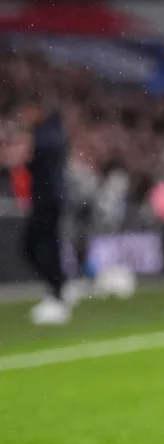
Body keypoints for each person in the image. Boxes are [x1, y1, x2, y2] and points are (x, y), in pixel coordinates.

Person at [16, 96, 71, 324]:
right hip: (50, 199)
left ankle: (57, 290)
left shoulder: (47, 135)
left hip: (46, 200)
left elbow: (40, 161)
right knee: (47, 247)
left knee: (33, 247)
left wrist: (26, 156)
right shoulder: (53, 133)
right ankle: (58, 289)